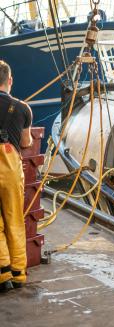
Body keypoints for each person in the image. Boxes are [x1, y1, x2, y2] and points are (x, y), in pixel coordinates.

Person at [0, 60, 32, 292]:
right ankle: (19, 272)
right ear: (9, 81)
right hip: (11, 165)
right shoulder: (23, 108)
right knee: (14, 218)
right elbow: (26, 142)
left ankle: (3, 273)